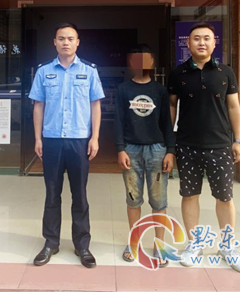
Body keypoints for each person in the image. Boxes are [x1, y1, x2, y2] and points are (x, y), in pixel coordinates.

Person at [168, 23, 240, 274]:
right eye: (196, 38)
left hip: (220, 145)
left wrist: (238, 140)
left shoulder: (225, 72)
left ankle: (228, 247)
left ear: (214, 43)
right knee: (189, 195)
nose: (201, 43)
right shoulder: (178, 73)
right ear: (188, 43)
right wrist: (170, 142)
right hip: (187, 144)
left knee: (224, 197)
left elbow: (234, 107)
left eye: (206, 38)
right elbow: (171, 106)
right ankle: (194, 244)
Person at [29, 23, 105, 269]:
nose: (65, 42)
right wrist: (38, 138)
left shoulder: (89, 71)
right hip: (51, 140)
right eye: (61, 38)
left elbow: (95, 105)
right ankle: (51, 242)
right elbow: (38, 105)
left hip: (79, 140)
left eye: (70, 38)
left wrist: (94, 137)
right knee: (52, 194)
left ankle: (82, 245)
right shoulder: (43, 71)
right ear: (54, 42)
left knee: (79, 194)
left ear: (77, 42)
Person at [115, 44, 175, 266]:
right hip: (130, 150)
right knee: (133, 199)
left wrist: (170, 151)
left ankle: (159, 245)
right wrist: (120, 148)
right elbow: (118, 121)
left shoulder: (160, 90)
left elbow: (167, 122)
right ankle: (134, 243)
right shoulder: (123, 89)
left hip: (157, 150)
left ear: (151, 63)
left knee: (159, 200)